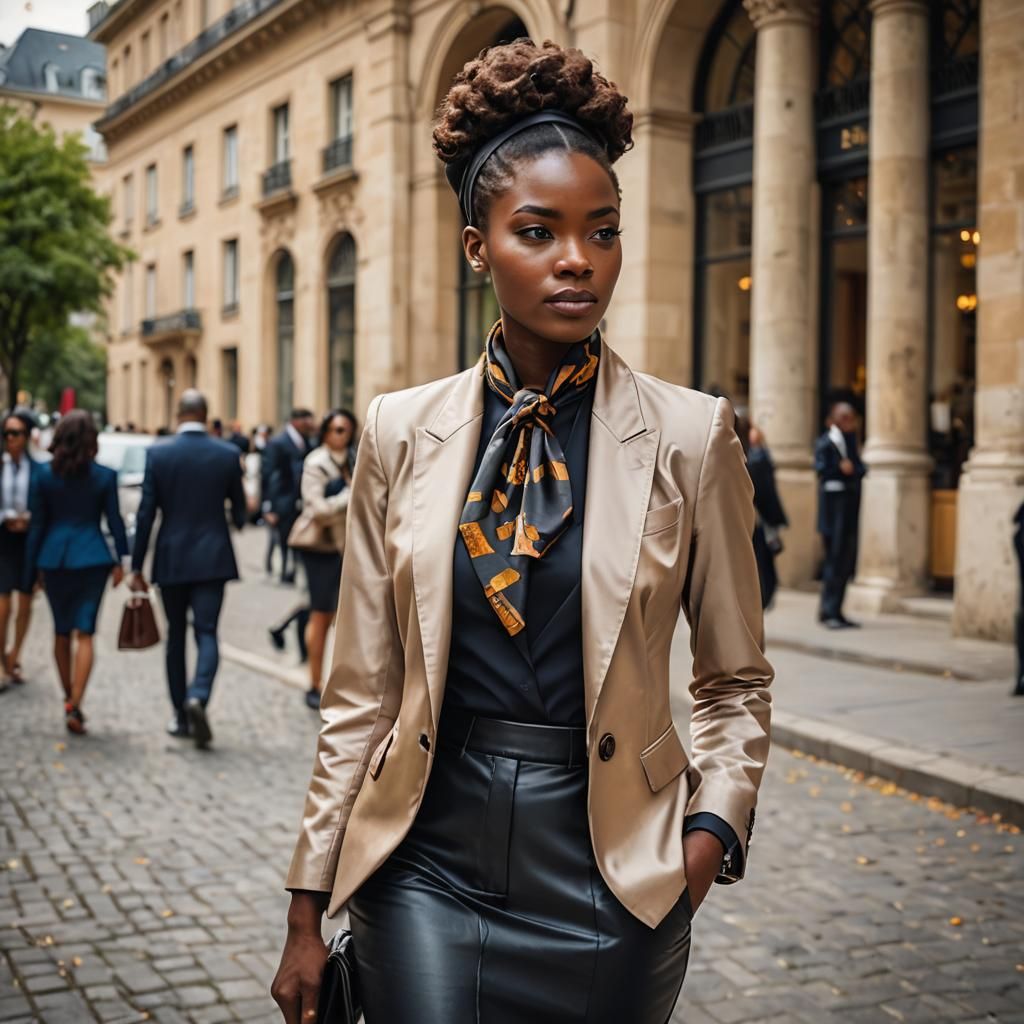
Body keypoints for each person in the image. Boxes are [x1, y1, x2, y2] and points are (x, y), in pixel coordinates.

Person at [273, 39, 772, 1024]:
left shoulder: (687, 434)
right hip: (425, 856)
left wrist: (707, 835)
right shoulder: (398, 431)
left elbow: (734, 679)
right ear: (477, 245)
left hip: (615, 873)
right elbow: (362, 692)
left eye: (602, 231)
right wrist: (304, 903)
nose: (577, 260)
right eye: (538, 231)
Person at [129, 390, 247, 748]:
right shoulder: (227, 453)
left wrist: (136, 565)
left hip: (172, 556)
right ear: (206, 414)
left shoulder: (159, 453)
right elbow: (240, 510)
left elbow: (146, 513)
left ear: (179, 415)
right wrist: (236, 519)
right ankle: (199, 695)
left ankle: (180, 715)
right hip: (213, 556)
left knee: (175, 637)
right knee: (207, 631)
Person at [23, 410, 127, 734]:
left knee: (61, 631)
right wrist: (122, 559)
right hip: (92, 557)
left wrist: (31, 570)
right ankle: (76, 704)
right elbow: (115, 521)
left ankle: (68, 695)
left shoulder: (42, 475)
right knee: (85, 632)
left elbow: (37, 525)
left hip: (54, 559)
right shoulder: (104, 476)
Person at [288, 409, 356, 710]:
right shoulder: (316, 462)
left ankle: (337, 680)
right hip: (319, 547)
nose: (342, 435)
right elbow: (317, 509)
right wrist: (349, 495)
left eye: (347, 430)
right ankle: (313, 682)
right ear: (326, 431)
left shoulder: (355, 460)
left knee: (345, 616)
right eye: (337, 429)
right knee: (321, 613)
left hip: (347, 546)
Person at [0, 409, 43, 691]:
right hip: (3, 538)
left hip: (29, 540)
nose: (10, 439)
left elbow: (44, 506)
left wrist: (29, 519)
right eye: (6, 434)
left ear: (26, 436)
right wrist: (6, 517)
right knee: (3, 604)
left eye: (15, 433)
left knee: (25, 604)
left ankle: (14, 657)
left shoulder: (39, 470)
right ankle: (1, 662)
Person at [814, 401, 867, 629]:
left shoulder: (851, 441)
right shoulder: (826, 442)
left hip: (848, 508)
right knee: (833, 560)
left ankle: (836, 609)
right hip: (833, 510)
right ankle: (828, 610)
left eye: (851, 418)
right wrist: (841, 469)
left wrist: (852, 469)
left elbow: (861, 468)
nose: (849, 422)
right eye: (845, 418)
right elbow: (821, 469)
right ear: (834, 419)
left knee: (846, 560)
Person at [737, 414, 788, 611]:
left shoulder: (753, 457)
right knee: (761, 567)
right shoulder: (755, 459)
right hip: (754, 522)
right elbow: (766, 495)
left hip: (750, 521)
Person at [264, 408, 314, 585]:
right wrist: (268, 505)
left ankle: (293, 570)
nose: (310, 424)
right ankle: (283, 570)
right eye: (306, 420)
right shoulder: (278, 441)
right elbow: (268, 473)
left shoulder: (307, 441)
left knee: (298, 538)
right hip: (282, 501)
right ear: (295, 421)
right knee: (282, 538)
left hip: (301, 500)